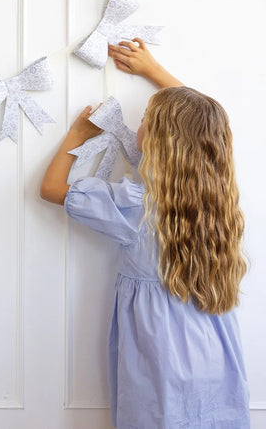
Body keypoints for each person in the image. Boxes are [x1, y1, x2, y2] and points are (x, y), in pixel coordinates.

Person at [40, 39, 250, 428]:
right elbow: (205, 123)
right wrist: (154, 71)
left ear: (157, 143)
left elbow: (51, 189)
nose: (136, 127)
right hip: (216, 355)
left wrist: (77, 135)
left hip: (161, 360)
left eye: (145, 124)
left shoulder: (136, 205)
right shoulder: (217, 199)